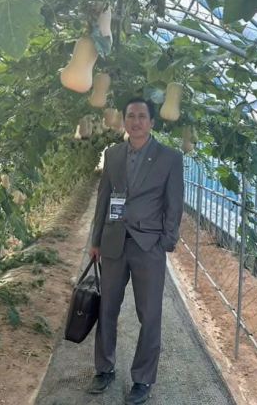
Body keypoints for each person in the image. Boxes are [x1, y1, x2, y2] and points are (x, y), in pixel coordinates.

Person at [88, 97, 184, 405]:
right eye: (131, 116)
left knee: (150, 314)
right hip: (113, 243)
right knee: (107, 308)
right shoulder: (113, 154)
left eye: (142, 116)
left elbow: (174, 204)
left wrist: (166, 241)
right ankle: (104, 369)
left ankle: (142, 379)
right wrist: (95, 240)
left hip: (148, 245)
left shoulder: (170, 157)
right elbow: (104, 197)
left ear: (152, 122)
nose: (136, 121)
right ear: (124, 121)